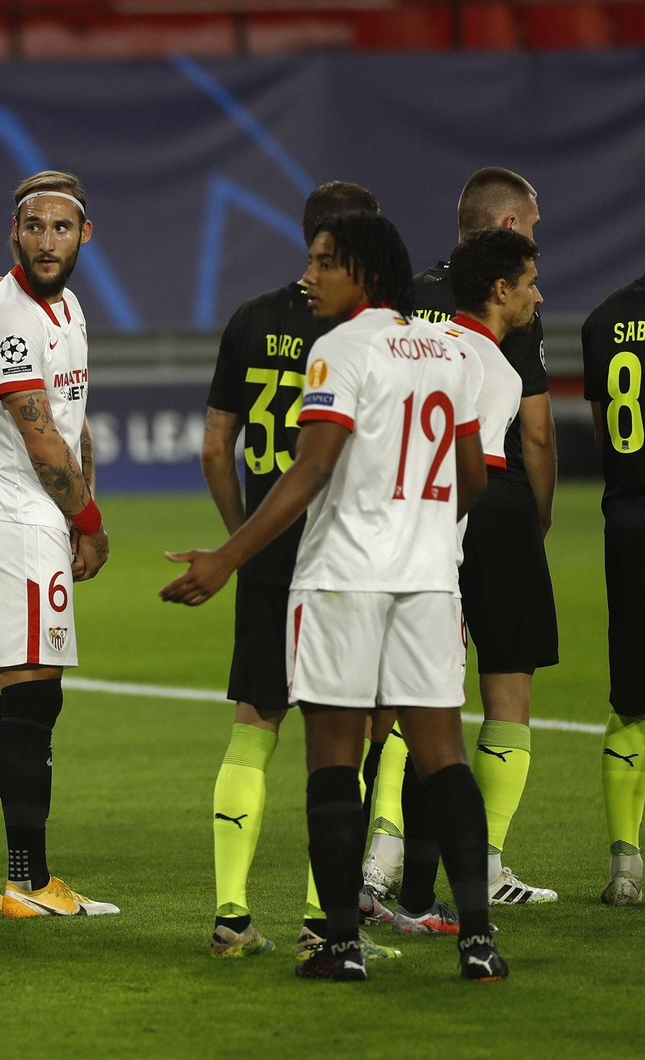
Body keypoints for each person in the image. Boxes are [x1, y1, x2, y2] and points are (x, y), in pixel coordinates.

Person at [162, 211, 507, 983]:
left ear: (368, 274)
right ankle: (479, 942)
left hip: (342, 579)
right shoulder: (452, 352)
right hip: (426, 581)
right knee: (443, 756)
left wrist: (227, 557)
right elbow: (475, 478)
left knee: (332, 758)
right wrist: (416, 524)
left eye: (325, 263)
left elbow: (311, 469)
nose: (309, 277)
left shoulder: (340, 350)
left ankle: (340, 946)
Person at [199, 181, 382, 959]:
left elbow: (215, 446)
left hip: (269, 555)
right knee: (345, 739)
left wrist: (243, 540)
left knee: (254, 727)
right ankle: (324, 924)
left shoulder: (251, 319)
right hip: (343, 556)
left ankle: (231, 916)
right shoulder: (361, 338)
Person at [368, 167, 559, 907]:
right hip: (493, 506)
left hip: (412, 522)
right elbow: (535, 436)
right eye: (532, 242)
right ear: (508, 242)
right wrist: (533, 522)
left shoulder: (409, 304)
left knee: (412, 694)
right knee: (506, 685)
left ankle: (382, 854)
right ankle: (482, 865)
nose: (536, 286)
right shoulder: (501, 348)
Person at [0, 171, 116, 919]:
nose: (46, 241)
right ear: (13, 234)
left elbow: (74, 423)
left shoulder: (68, 308)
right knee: (34, 702)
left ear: (84, 236)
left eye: (61, 229)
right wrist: (91, 523)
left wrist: (77, 511)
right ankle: (30, 882)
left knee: (15, 703)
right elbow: (40, 439)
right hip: (13, 522)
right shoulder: (6, 316)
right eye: (33, 227)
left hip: (38, 522)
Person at [581, 266, 645, 905]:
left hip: (628, 522)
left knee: (631, 695)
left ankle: (626, 868)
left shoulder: (603, 320)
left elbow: (604, 434)